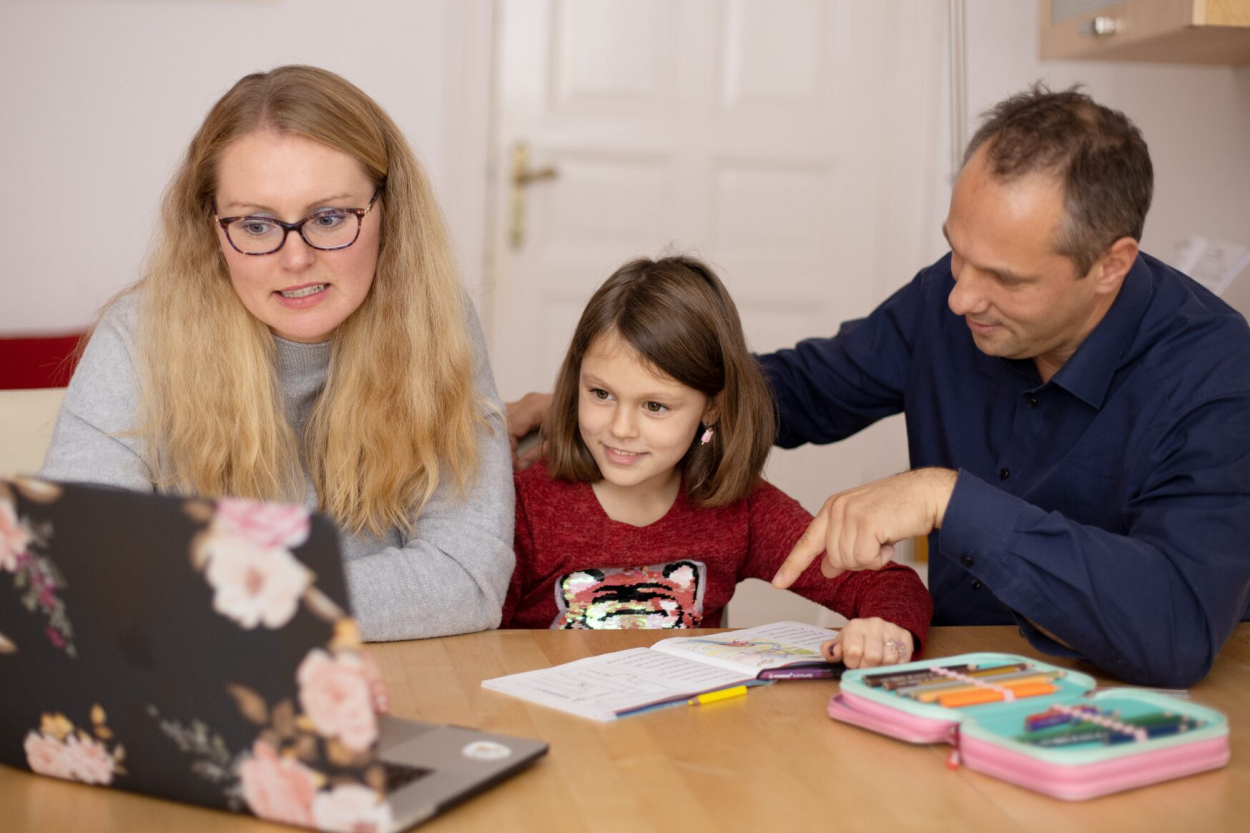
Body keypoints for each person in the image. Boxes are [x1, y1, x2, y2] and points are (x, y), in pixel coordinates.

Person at [509, 85, 1250, 688]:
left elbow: (1177, 631)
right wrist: (656, 392)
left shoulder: (1215, 375)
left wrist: (946, 497)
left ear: (1111, 264)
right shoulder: (949, 299)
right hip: (950, 678)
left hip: (1120, 698)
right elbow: (799, 388)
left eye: (1003, 277)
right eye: (956, 253)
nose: (960, 298)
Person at [39, 65, 514, 642]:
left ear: (390, 212)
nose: (295, 259)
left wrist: (204, 596)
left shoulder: (438, 321)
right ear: (211, 227)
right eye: (257, 225)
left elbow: (468, 580)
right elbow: (76, 577)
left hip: (404, 680)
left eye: (330, 217)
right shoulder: (137, 340)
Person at [505, 256, 932, 669]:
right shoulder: (525, 509)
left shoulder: (740, 511)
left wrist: (884, 632)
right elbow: (472, 642)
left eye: (654, 406)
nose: (620, 428)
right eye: (601, 394)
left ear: (711, 409)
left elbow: (890, 583)